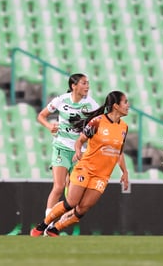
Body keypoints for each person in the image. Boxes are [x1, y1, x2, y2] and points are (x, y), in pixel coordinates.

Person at [31, 90, 130, 237]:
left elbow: (119, 152)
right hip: (86, 168)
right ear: (116, 105)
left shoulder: (124, 127)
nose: (128, 106)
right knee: (71, 202)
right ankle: (44, 224)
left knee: (83, 208)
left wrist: (125, 172)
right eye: (125, 102)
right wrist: (77, 151)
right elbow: (80, 140)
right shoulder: (97, 122)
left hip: (102, 176)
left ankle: (55, 229)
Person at [37, 73, 99, 226]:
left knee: (74, 196)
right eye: (84, 83)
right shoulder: (61, 100)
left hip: (80, 152)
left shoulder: (91, 104)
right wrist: (50, 126)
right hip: (62, 147)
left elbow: (100, 123)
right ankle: (47, 224)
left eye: (88, 83)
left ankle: (60, 222)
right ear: (74, 86)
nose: (87, 86)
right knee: (58, 186)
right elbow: (41, 116)